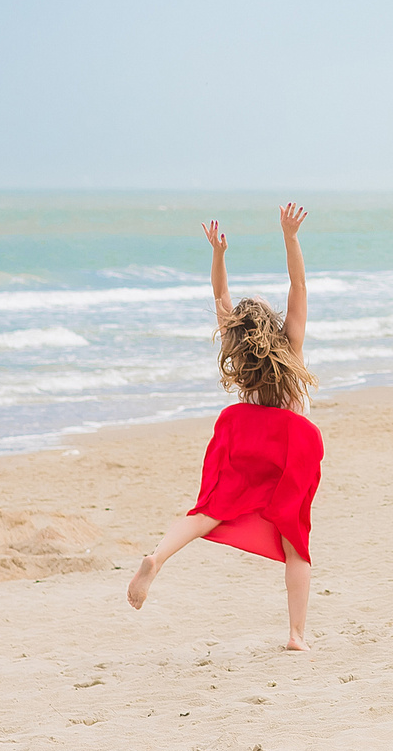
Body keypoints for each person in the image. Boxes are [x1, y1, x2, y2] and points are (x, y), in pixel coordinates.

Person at [127, 203, 325, 649]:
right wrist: (290, 237)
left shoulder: (238, 349)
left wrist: (218, 255)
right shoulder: (290, 345)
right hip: (291, 440)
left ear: (240, 330)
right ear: (273, 326)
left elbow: (220, 297)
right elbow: (299, 284)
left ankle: (157, 557)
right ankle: (296, 634)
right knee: (295, 539)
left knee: (210, 507)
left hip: (245, 430)